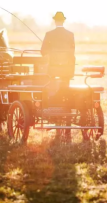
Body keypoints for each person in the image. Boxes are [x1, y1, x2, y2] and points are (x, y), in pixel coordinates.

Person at [41, 11, 75, 142]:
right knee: (66, 96)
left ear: (55, 21)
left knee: (52, 93)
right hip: (66, 74)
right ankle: (67, 128)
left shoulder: (49, 35)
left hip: (53, 73)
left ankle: (53, 113)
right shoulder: (70, 35)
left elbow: (43, 52)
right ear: (64, 21)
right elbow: (72, 52)